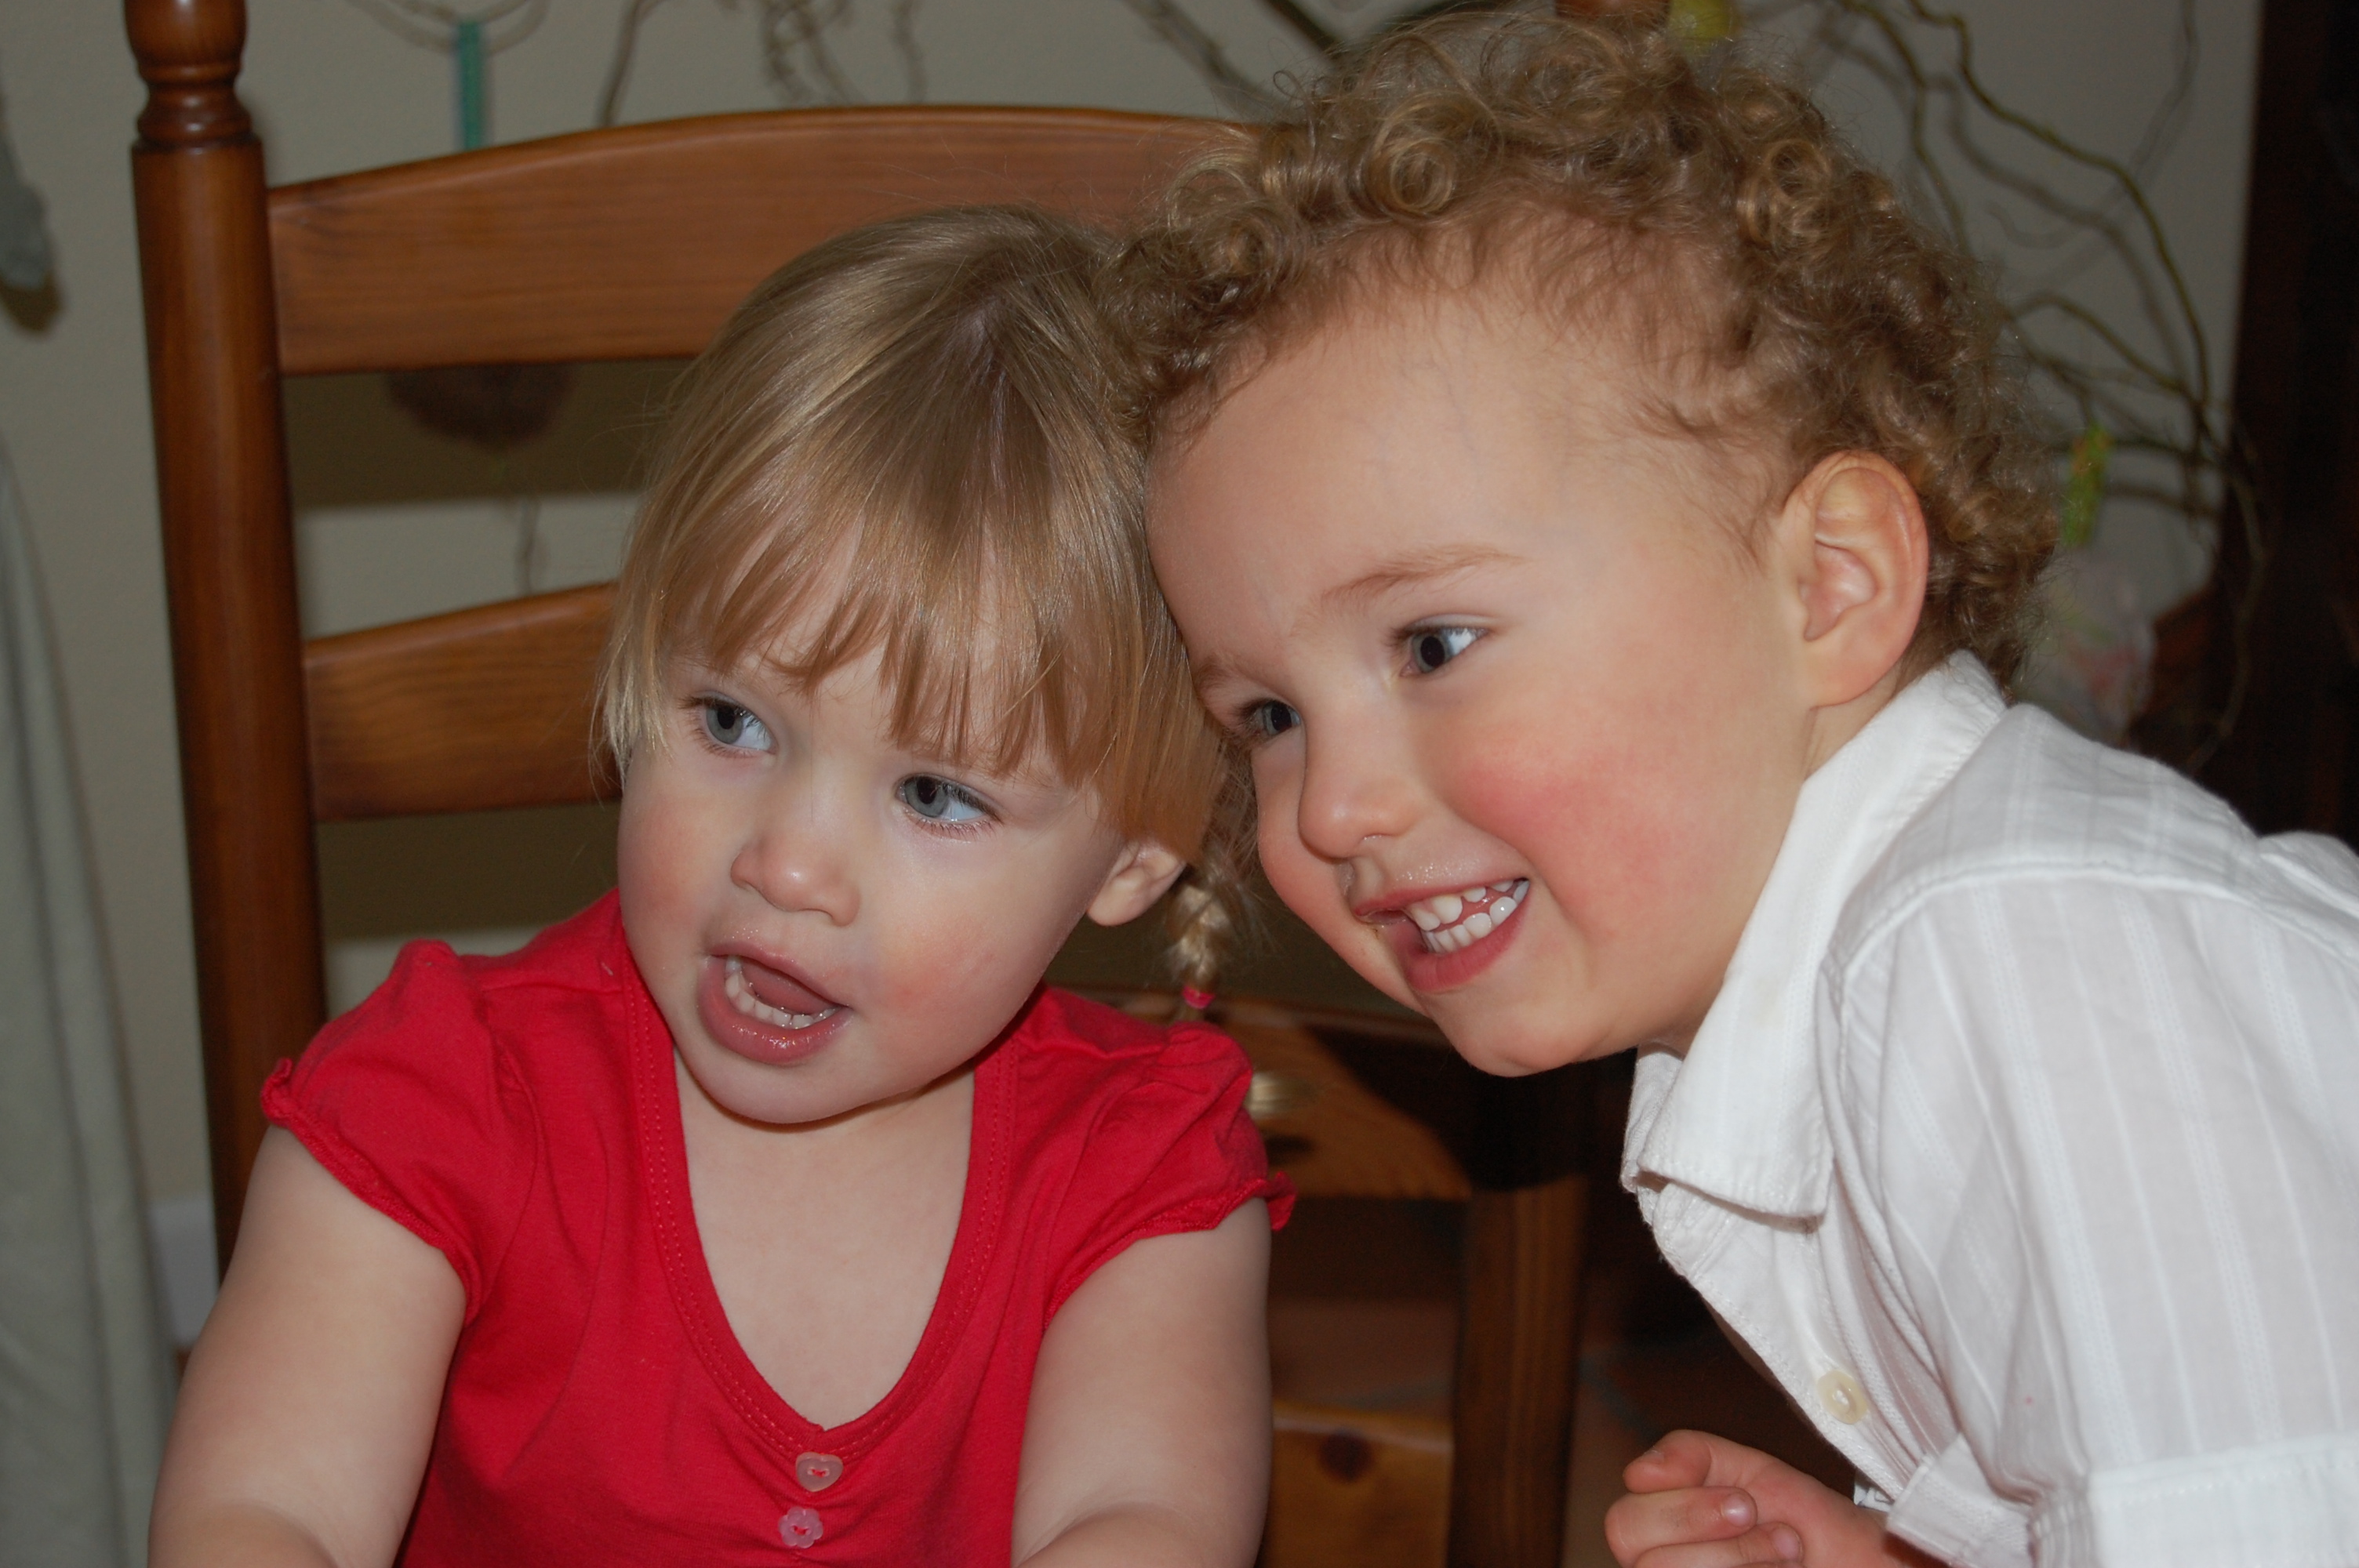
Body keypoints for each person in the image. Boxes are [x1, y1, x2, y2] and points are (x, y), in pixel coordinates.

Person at [1118, 15, 2359, 1568]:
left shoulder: (2016, 957)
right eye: (1269, 716)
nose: (1328, 811)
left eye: (1433, 644)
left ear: (1830, 585)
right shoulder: (1874, 980)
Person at [151, 206, 1288, 1568]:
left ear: (1138, 855)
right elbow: (260, 1513)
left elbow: (1146, 1523)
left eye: (935, 795)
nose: (787, 865)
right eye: (733, 722)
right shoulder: (442, 1101)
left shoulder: (1141, 1174)